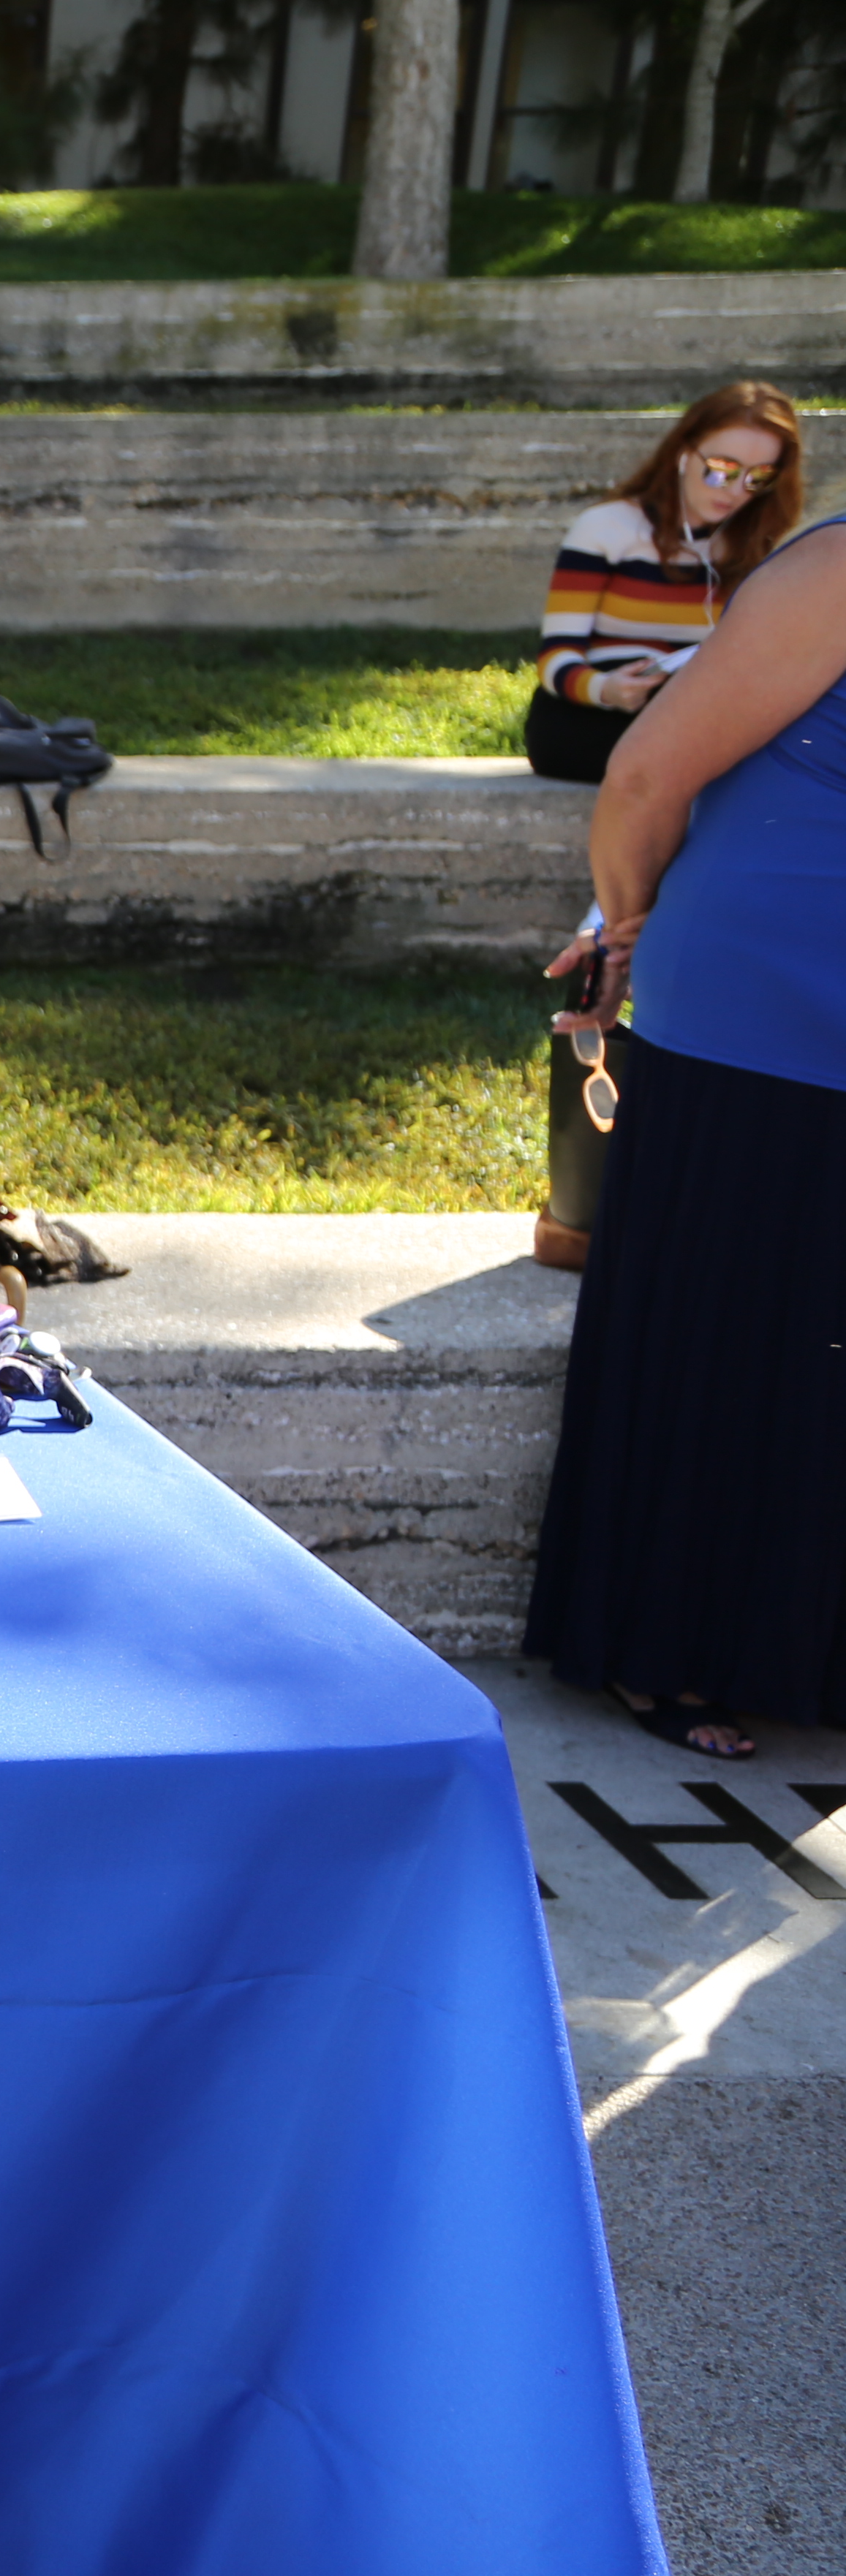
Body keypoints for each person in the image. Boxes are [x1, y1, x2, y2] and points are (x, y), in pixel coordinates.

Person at [526, 508, 846, 1760]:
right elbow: (647, 775)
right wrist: (616, 934)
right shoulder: (832, 571)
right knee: (727, 1324)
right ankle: (663, 1650)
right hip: (757, 1008)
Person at [527, 382, 805, 786]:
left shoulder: (760, 545)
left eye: (758, 478)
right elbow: (555, 658)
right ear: (683, 452)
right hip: (594, 710)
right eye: (722, 469)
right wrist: (608, 689)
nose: (734, 490)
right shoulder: (608, 528)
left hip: (698, 711)